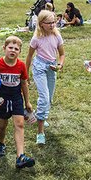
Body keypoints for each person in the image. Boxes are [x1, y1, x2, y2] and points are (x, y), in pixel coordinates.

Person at [0, 36, 35, 169]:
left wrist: (27, 102)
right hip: (2, 98)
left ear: (19, 52)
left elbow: (24, 83)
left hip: (16, 97)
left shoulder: (21, 66)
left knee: (19, 124)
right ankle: (1, 144)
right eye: (10, 48)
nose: (13, 50)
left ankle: (20, 156)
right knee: (2, 125)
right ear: (4, 48)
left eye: (16, 49)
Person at [26, 10, 65, 145]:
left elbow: (62, 54)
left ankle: (41, 115)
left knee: (49, 98)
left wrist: (59, 64)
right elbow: (29, 56)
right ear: (41, 24)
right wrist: (25, 74)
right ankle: (40, 132)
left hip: (51, 67)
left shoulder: (57, 36)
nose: (52, 25)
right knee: (44, 97)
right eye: (49, 23)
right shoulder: (36, 38)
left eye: (54, 22)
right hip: (39, 67)